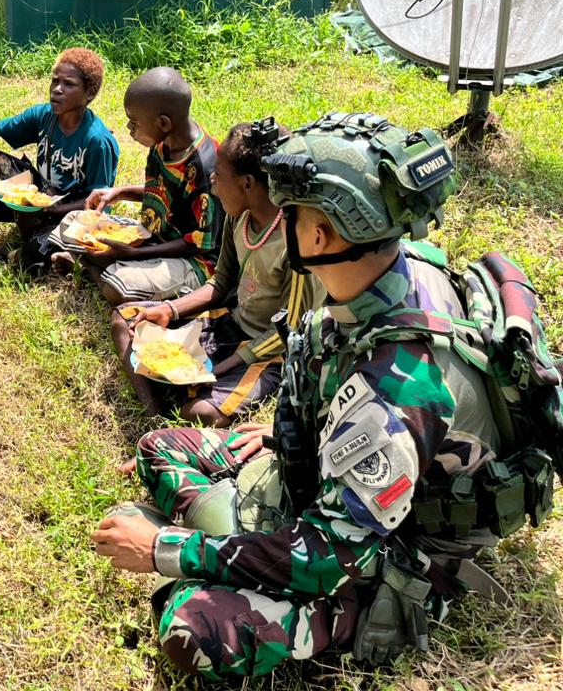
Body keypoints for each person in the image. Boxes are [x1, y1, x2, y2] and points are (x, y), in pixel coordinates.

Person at [91, 112, 553, 679]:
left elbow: (326, 557)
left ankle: (212, 545)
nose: (278, 225)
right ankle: (226, 535)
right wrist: (278, 435)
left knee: (192, 630)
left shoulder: (394, 393)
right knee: (159, 445)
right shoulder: (379, 279)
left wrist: (163, 550)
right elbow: (325, 372)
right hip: (343, 493)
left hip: (383, 553)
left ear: (319, 235)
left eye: (290, 214)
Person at [112, 118, 324, 422]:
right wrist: (170, 310)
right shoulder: (239, 215)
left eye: (219, 174)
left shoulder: (297, 242)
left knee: (201, 411)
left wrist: (214, 369)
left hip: (267, 351)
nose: (211, 180)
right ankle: (153, 413)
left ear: (248, 184)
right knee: (125, 321)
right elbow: (222, 281)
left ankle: (185, 394)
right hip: (229, 323)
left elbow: (292, 328)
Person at [0, 47, 119, 270]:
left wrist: (51, 210)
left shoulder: (97, 141)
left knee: (35, 259)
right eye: (54, 81)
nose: (57, 90)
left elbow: (98, 201)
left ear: (89, 93)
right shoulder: (44, 116)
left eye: (68, 84)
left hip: (71, 213)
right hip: (40, 196)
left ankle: (15, 254)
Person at [68, 67, 222, 304]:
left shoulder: (204, 168)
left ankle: (92, 269)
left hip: (194, 260)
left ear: (163, 122)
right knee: (74, 224)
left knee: (118, 287)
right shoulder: (164, 142)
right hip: (154, 238)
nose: (130, 129)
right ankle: (107, 262)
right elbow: (165, 193)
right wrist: (119, 193)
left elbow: (200, 244)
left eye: (134, 122)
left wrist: (136, 253)